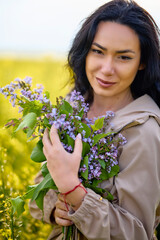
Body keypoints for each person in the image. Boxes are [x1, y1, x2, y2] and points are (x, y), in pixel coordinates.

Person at [29, 0, 160, 239]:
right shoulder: (73, 108)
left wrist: (73, 190)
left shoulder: (143, 131)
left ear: (142, 62)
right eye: (98, 51)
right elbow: (37, 195)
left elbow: (138, 233)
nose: (107, 68)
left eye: (123, 57)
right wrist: (56, 209)